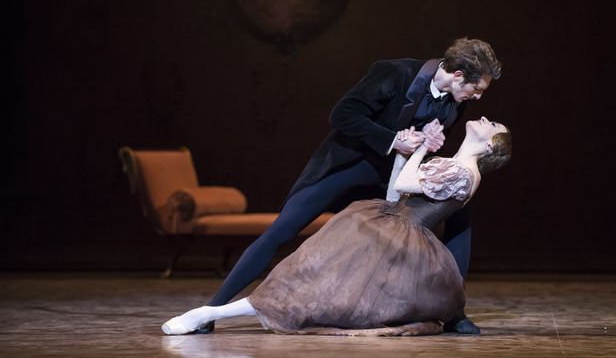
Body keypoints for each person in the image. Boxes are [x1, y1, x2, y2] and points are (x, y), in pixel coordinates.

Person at [200, 38, 503, 334]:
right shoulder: (396, 73)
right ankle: (212, 309)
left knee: (461, 209)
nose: (478, 97)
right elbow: (342, 115)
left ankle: (453, 313)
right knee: (283, 229)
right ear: (459, 75)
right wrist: (394, 140)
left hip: (392, 177)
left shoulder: (455, 101)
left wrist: (428, 143)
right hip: (351, 165)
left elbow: (423, 139)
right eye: (477, 89)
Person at [162, 117, 512, 336]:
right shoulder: (454, 166)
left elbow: (405, 186)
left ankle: (211, 313)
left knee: (314, 285)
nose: (484, 119)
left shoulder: (463, 172)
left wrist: (417, 148)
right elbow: (395, 194)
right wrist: (408, 150)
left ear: (490, 145)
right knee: (309, 281)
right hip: (388, 224)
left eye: (493, 125)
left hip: (394, 239)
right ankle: (212, 313)